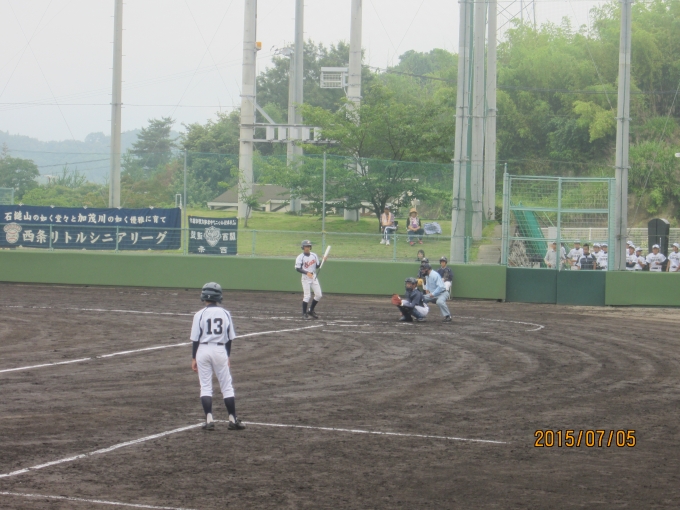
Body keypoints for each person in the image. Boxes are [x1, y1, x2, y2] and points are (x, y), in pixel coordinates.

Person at [190, 282, 245, 431]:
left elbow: (195, 339)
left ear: (204, 296)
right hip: (220, 350)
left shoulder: (199, 314)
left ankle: (209, 420)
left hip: (202, 350)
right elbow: (229, 338)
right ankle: (232, 419)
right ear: (219, 297)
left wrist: (194, 358)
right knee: (226, 386)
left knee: (205, 386)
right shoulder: (225, 313)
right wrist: (227, 355)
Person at [295, 240, 327, 319]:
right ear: (303, 247)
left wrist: (323, 261)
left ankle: (311, 310)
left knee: (319, 295)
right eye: (306, 246)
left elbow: (317, 266)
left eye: (309, 246)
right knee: (307, 296)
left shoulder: (314, 255)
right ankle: (304, 313)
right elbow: (297, 268)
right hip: (305, 277)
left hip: (313, 276)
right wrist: (306, 273)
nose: (307, 248)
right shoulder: (300, 257)